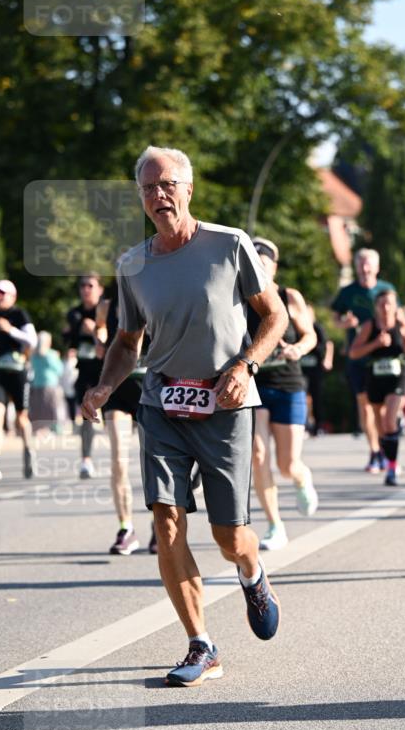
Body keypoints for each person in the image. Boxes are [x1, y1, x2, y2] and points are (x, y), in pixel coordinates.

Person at [82, 145, 288, 688]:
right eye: (148, 188)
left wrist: (246, 365)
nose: (158, 196)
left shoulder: (230, 245)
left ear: (188, 189)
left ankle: (251, 571)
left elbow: (275, 316)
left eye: (167, 184)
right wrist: (105, 384)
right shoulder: (132, 265)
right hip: (162, 404)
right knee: (166, 519)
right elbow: (128, 342)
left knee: (230, 536)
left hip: (226, 403)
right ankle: (202, 644)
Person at [248, 237, 319, 551]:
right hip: (255, 386)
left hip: (289, 384)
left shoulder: (289, 297)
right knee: (258, 455)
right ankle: (276, 525)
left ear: (274, 267)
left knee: (288, 464)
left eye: (264, 265)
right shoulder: (241, 299)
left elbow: (310, 335)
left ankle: (302, 478)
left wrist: (297, 349)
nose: (259, 271)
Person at [96, 280, 156, 555]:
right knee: (119, 461)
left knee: (152, 462)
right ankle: (126, 528)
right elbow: (101, 333)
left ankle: (160, 524)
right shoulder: (106, 306)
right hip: (117, 390)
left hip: (148, 389)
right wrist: (100, 342)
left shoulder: (152, 298)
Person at [331, 248, 396, 472]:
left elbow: (399, 318)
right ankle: (375, 451)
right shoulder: (348, 292)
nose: (365, 268)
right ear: (356, 267)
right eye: (361, 264)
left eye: (369, 264)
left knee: (386, 408)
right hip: (358, 355)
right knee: (365, 406)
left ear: (377, 267)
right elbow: (335, 318)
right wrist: (343, 323)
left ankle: (388, 446)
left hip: (385, 356)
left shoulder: (387, 290)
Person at [350, 290, 405, 485]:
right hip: (375, 377)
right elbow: (354, 353)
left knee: (389, 420)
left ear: (395, 306)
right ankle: (387, 459)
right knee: (380, 424)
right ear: (376, 307)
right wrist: (375, 344)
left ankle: (392, 468)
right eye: (382, 304)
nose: (386, 308)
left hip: (397, 376)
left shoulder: (402, 324)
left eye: (389, 304)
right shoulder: (370, 326)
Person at [0, 279, 37, 481]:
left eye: (3, 293)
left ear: (13, 296)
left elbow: (32, 340)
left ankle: (29, 452)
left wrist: (10, 329)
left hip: (18, 371)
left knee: (21, 418)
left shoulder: (19, 314)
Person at [63, 274, 105, 478]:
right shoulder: (74, 314)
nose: (86, 289)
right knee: (86, 414)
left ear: (100, 289)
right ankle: (86, 460)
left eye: (90, 285)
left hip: (109, 372)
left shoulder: (107, 311)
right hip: (86, 371)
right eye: (82, 286)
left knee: (118, 416)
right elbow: (70, 341)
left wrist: (96, 331)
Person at [301, 304, 334, 436]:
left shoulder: (317, 328)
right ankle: (304, 425)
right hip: (302, 369)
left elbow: (328, 344)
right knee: (302, 396)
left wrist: (328, 359)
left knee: (317, 397)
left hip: (316, 368)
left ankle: (318, 426)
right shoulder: (299, 327)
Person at [29, 331, 64, 435]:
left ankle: (39, 428)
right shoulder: (51, 354)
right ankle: (55, 429)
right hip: (51, 385)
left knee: (38, 408)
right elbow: (60, 369)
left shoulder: (33, 355)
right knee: (52, 408)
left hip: (36, 385)